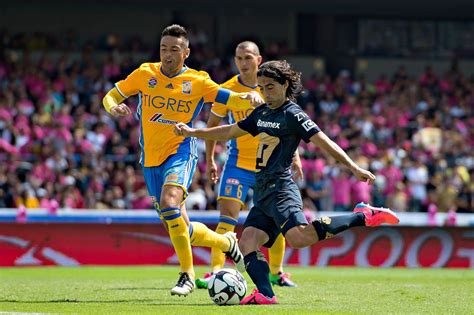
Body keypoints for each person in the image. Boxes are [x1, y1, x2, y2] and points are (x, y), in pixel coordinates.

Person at [174, 60, 400, 304]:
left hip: (281, 189)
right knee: (248, 241)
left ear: (285, 84)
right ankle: (265, 294)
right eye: (261, 87)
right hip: (262, 192)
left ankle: (362, 215)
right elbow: (229, 131)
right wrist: (193, 132)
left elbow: (325, 143)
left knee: (299, 238)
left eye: (270, 87)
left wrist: (354, 168)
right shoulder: (260, 112)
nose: (265, 93)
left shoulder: (293, 114)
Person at [102, 24, 264, 297]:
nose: (167, 54)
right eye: (164, 48)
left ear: (185, 52)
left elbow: (229, 99)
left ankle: (186, 275)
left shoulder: (198, 81)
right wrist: (112, 108)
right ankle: (226, 242)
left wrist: (248, 97)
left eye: (174, 49)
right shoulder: (145, 73)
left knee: (169, 203)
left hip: (182, 150)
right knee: (178, 224)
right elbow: (111, 95)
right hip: (150, 158)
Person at [196, 41, 300, 289]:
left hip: (270, 166)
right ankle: (215, 271)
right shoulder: (227, 90)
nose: (243, 63)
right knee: (227, 216)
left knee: (276, 220)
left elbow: (290, 124)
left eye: (248, 58)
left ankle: (277, 273)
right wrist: (210, 159)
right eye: (239, 58)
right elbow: (212, 126)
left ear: (259, 60)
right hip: (237, 165)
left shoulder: (271, 89)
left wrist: (295, 156)